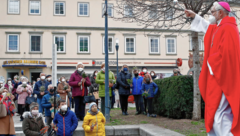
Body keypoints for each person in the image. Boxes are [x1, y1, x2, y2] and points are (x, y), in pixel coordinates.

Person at [185, 2, 240, 135]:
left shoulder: (228, 28)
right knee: (218, 113)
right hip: (218, 76)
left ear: (221, 13)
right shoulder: (222, 26)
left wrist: (210, 62)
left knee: (221, 113)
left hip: (223, 78)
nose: (211, 14)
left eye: (213, 12)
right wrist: (195, 17)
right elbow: (208, 28)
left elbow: (227, 55)